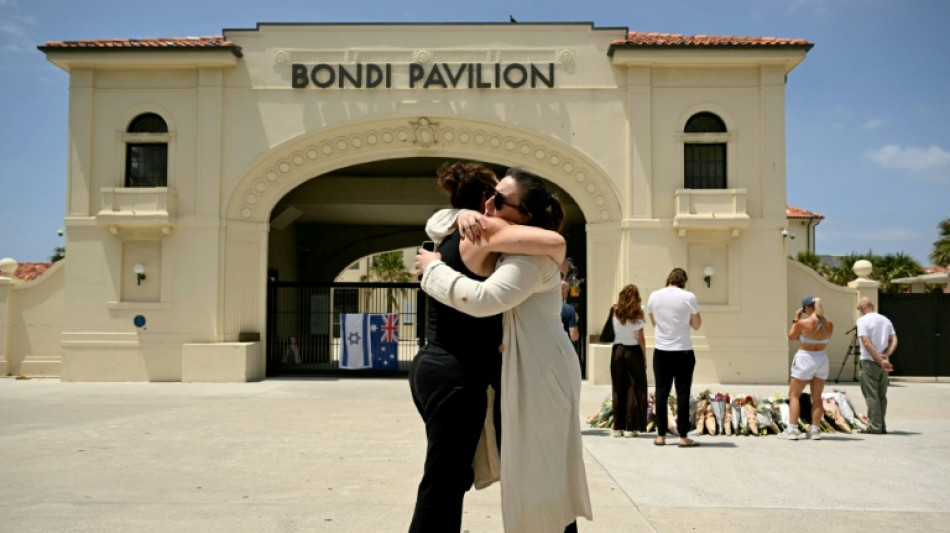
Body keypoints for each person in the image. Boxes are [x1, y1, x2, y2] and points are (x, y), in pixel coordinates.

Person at [416, 168, 592, 533]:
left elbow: (484, 299)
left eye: (499, 200)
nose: (488, 204)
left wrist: (432, 270)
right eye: (489, 195)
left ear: (525, 217)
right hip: (519, 369)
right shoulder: (491, 235)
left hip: (544, 373)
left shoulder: (531, 256)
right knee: (529, 472)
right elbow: (439, 221)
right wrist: (460, 214)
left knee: (541, 472)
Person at [647, 268, 701, 447]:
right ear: (683, 281)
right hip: (683, 351)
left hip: (662, 350)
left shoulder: (654, 296)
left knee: (661, 393)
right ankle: (683, 437)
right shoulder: (689, 297)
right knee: (682, 394)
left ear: (668, 279)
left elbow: (654, 322)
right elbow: (696, 325)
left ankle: (661, 435)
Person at [781, 295, 835, 440]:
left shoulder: (803, 322)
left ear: (807, 308)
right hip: (822, 358)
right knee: (817, 396)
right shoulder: (829, 323)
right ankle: (815, 430)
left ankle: (791, 430)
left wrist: (796, 319)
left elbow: (791, 336)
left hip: (805, 357)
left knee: (794, 395)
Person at [609, 284, 648, 438]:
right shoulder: (638, 312)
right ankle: (630, 427)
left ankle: (617, 427)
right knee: (633, 387)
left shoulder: (614, 310)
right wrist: (644, 356)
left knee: (618, 388)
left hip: (617, 351)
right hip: (633, 351)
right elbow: (641, 338)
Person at [856, 297, 897, 435]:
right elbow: (894, 339)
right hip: (884, 363)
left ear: (862, 307)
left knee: (871, 395)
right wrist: (886, 354)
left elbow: (866, 343)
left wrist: (879, 359)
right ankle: (880, 425)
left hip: (869, 361)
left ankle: (875, 426)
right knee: (881, 395)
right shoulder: (885, 320)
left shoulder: (862, 321)